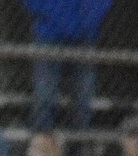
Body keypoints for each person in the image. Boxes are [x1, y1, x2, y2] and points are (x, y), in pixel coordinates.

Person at [20, 0, 113, 132]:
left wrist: (87, 20)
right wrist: (54, 15)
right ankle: (42, 144)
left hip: (84, 35)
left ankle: (80, 145)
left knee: (83, 95)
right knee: (45, 95)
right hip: (49, 33)